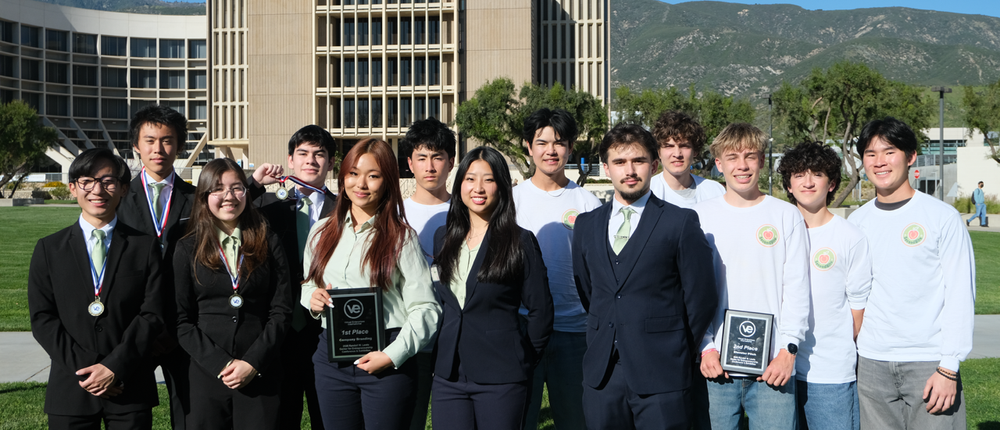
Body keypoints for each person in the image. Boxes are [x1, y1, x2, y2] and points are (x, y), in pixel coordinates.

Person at [572, 123, 718, 429]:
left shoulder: (679, 222)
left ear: (653, 165)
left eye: (638, 161)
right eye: (620, 162)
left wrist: (674, 345)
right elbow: (589, 290)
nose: (630, 170)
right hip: (603, 373)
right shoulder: (586, 225)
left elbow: (701, 297)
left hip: (662, 369)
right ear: (606, 168)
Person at [303, 138, 441, 430]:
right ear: (342, 177)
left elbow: (426, 308)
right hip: (332, 359)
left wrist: (392, 355)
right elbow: (308, 284)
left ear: (387, 181)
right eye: (353, 173)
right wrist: (312, 299)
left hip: (387, 357)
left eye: (373, 175)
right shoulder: (321, 232)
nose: (361, 184)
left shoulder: (401, 238)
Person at [848, 117, 976, 430]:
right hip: (871, 362)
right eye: (870, 154)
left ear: (911, 156)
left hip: (928, 361)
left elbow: (960, 292)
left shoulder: (941, 218)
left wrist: (948, 367)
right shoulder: (856, 222)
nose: (879, 162)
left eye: (889, 151)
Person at [29, 148, 166, 429]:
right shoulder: (49, 249)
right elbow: (43, 319)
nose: (97, 190)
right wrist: (90, 370)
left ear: (124, 188)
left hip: (129, 386)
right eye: (87, 181)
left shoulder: (144, 246)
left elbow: (152, 313)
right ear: (72, 188)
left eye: (108, 181)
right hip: (71, 387)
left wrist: (114, 367)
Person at [694, 123, 810, 430]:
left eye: (750, 156)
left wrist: (787, 351)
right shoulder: (699, 217)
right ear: (718, 164)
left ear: (761, 161)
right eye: (732, 157)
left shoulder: (786, 216)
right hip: (716, 366)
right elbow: (690, 291)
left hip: (773, 369)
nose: (742, 165)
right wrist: (705, 347)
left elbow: (797, 290)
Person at [431, 146, 554, 430]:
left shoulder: (520, 241)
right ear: (459, 182)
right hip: (449, 375)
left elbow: (541, 311)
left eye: (488, 179)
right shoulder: (443, 238)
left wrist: (521, 358)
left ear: (501, 185)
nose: (478, 188)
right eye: (470, 178)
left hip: (502, 375)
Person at [172, 158, 293, 429]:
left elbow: (281, 310)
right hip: (207, 374)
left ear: (247, 193)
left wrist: (252, 362)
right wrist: (221, 363)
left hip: (260, 372)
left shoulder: (268, 240)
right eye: (218, 189)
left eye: (237, 188)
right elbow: (181, 320)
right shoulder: (186, 248)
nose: (229, 196)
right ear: (204, 197)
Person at [513, 108, 600, 430]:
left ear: (571, 147)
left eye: (559, 142)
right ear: (528, 145)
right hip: (522, 327)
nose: (551, 151)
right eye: (542, 142)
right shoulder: (511, 201)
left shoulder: (588, 203)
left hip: (575, 332)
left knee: (575, 420)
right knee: (520, 417)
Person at [777, 141, 872, 430]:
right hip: (777, 369)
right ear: (789, 185)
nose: (808, 182)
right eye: (799, 175)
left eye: (817, 174)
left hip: (828, 373)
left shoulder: (849, 236)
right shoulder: (774, 232)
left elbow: (859, 310)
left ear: (831, 184)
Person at [249, 125, 337, 430]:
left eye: (319, 154)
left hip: (327, 327)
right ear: (290, 160)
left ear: (331, 163)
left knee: (327, 414)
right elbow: (222, 213)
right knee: (281, 416)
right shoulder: (266, 206)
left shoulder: (344, 209)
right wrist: (254, 184)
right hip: (279, 328)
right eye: (303, 153)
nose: (310, 160)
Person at [115, 104, 197, 430]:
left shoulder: (199, 199)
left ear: (179, 146)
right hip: (134, 325)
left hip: (185, 326)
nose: (158, 149)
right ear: (136, 145)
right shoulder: (118, 201)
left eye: (167, 140)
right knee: (131, 416)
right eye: (149, 141)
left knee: (191, 414)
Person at [400, 117, 456, 430]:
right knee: (411, 416)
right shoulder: (396, 214)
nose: (430, 166)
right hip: (411, 335)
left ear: (450, 161)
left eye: (437, 157)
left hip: (457, 333)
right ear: (410, 163)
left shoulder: (468, 211)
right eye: (422, 157)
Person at [649, 110, 725, 208]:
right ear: (658, 151)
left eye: (684, 146)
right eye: (669, 146)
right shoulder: (647, 192)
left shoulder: (715, 191)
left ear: (695, 151)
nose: (677, 154)